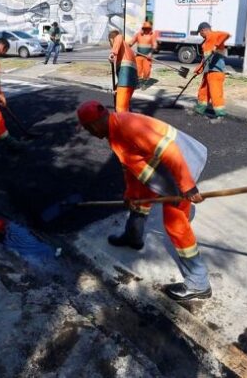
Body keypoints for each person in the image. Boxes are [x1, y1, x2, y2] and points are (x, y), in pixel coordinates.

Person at [77, 100, 212, 301]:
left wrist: (187, 186)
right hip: (165, 168)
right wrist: (131, 196)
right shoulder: (114, 132)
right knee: (139, 201)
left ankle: (199, 283)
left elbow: (170, 151)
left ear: (94, 125)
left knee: (176, 225)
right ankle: (133, 236)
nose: (89, 134)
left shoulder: (128, 127)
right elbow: (132, 168)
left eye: (88, 129)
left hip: (182, 165)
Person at [194, 22, 230, 119]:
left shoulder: (214, 35)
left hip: (216, 71)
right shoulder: (205, 43)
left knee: (215, 92)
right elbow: (205, 59)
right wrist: (199, 69)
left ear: (203, 30)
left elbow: (226, 35)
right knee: (203, 91)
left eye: (200, 33)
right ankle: (199, 110)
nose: (200, 35)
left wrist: (217, 45)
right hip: (208, 71)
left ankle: (220, 115)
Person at [108, 29, 138, 112]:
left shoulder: (118, 38)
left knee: (120, 109)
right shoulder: (126, 49)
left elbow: (119, 36)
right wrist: (117, 87)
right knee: (125, 105)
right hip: (130, 80)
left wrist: (113, 53)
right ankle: (129, 121)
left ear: (111, 39)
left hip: (126, 79)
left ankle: (123, 123)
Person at [129, 21, 158, 89]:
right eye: (145, 28)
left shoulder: (152, 35)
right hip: (138, 56)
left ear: (150, 28)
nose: (147, 30)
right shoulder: (138, 35)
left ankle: (145, 84)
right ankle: (137, 84)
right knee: (138, 71)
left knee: (146, 71)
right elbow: (131, 42)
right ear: (143, 28)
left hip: (147, 57)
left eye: (148, 28)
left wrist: (151, 52)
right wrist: (127, 46)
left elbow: (155, 45)